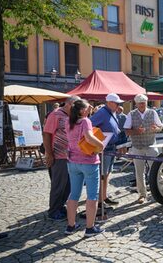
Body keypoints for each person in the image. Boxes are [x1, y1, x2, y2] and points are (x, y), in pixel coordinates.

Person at [65, 99, 105, 237]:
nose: (90, 108)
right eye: (88, 107)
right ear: (82, 110)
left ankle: (70, 226)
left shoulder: (68, 121)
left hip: (72, 161)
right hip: (88, 161)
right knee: (92, 196)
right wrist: (101, 145)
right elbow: (88, 138)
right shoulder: (85, 121)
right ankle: (90, 227)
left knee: (74, 194)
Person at [43, 95, 80, 221]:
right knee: (58, 185)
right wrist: (49, 153)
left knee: (68, 185)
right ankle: (53, 211)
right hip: (58, 156)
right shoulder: (55, 115)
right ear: (70, 104)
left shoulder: (71, 116)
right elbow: (47, 134)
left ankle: (60, 206)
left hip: (70, 156)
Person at [124, 94, 162, 204]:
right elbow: (126, 130)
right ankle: (142, 194)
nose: (142, 104)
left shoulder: (152, 112)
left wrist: (156, 129)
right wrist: (136, 131)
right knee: (139, 172)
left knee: (156, 170)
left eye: (143, 102)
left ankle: (158, 192)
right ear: (136, 103)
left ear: (146, 102)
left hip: (151, 145)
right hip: (137, 146)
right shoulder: (131, 114)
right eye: (140, 103)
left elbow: (160, 127)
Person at [90, 93, 123, 207]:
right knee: (102, 175)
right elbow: (90, 126)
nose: (118, 105)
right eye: (117, 103)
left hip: (111, 147)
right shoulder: (102, 113)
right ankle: (100, 201)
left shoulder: (110, 112)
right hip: (105, 148)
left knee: (107, 174)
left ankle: (104, 197)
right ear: (109, 103)